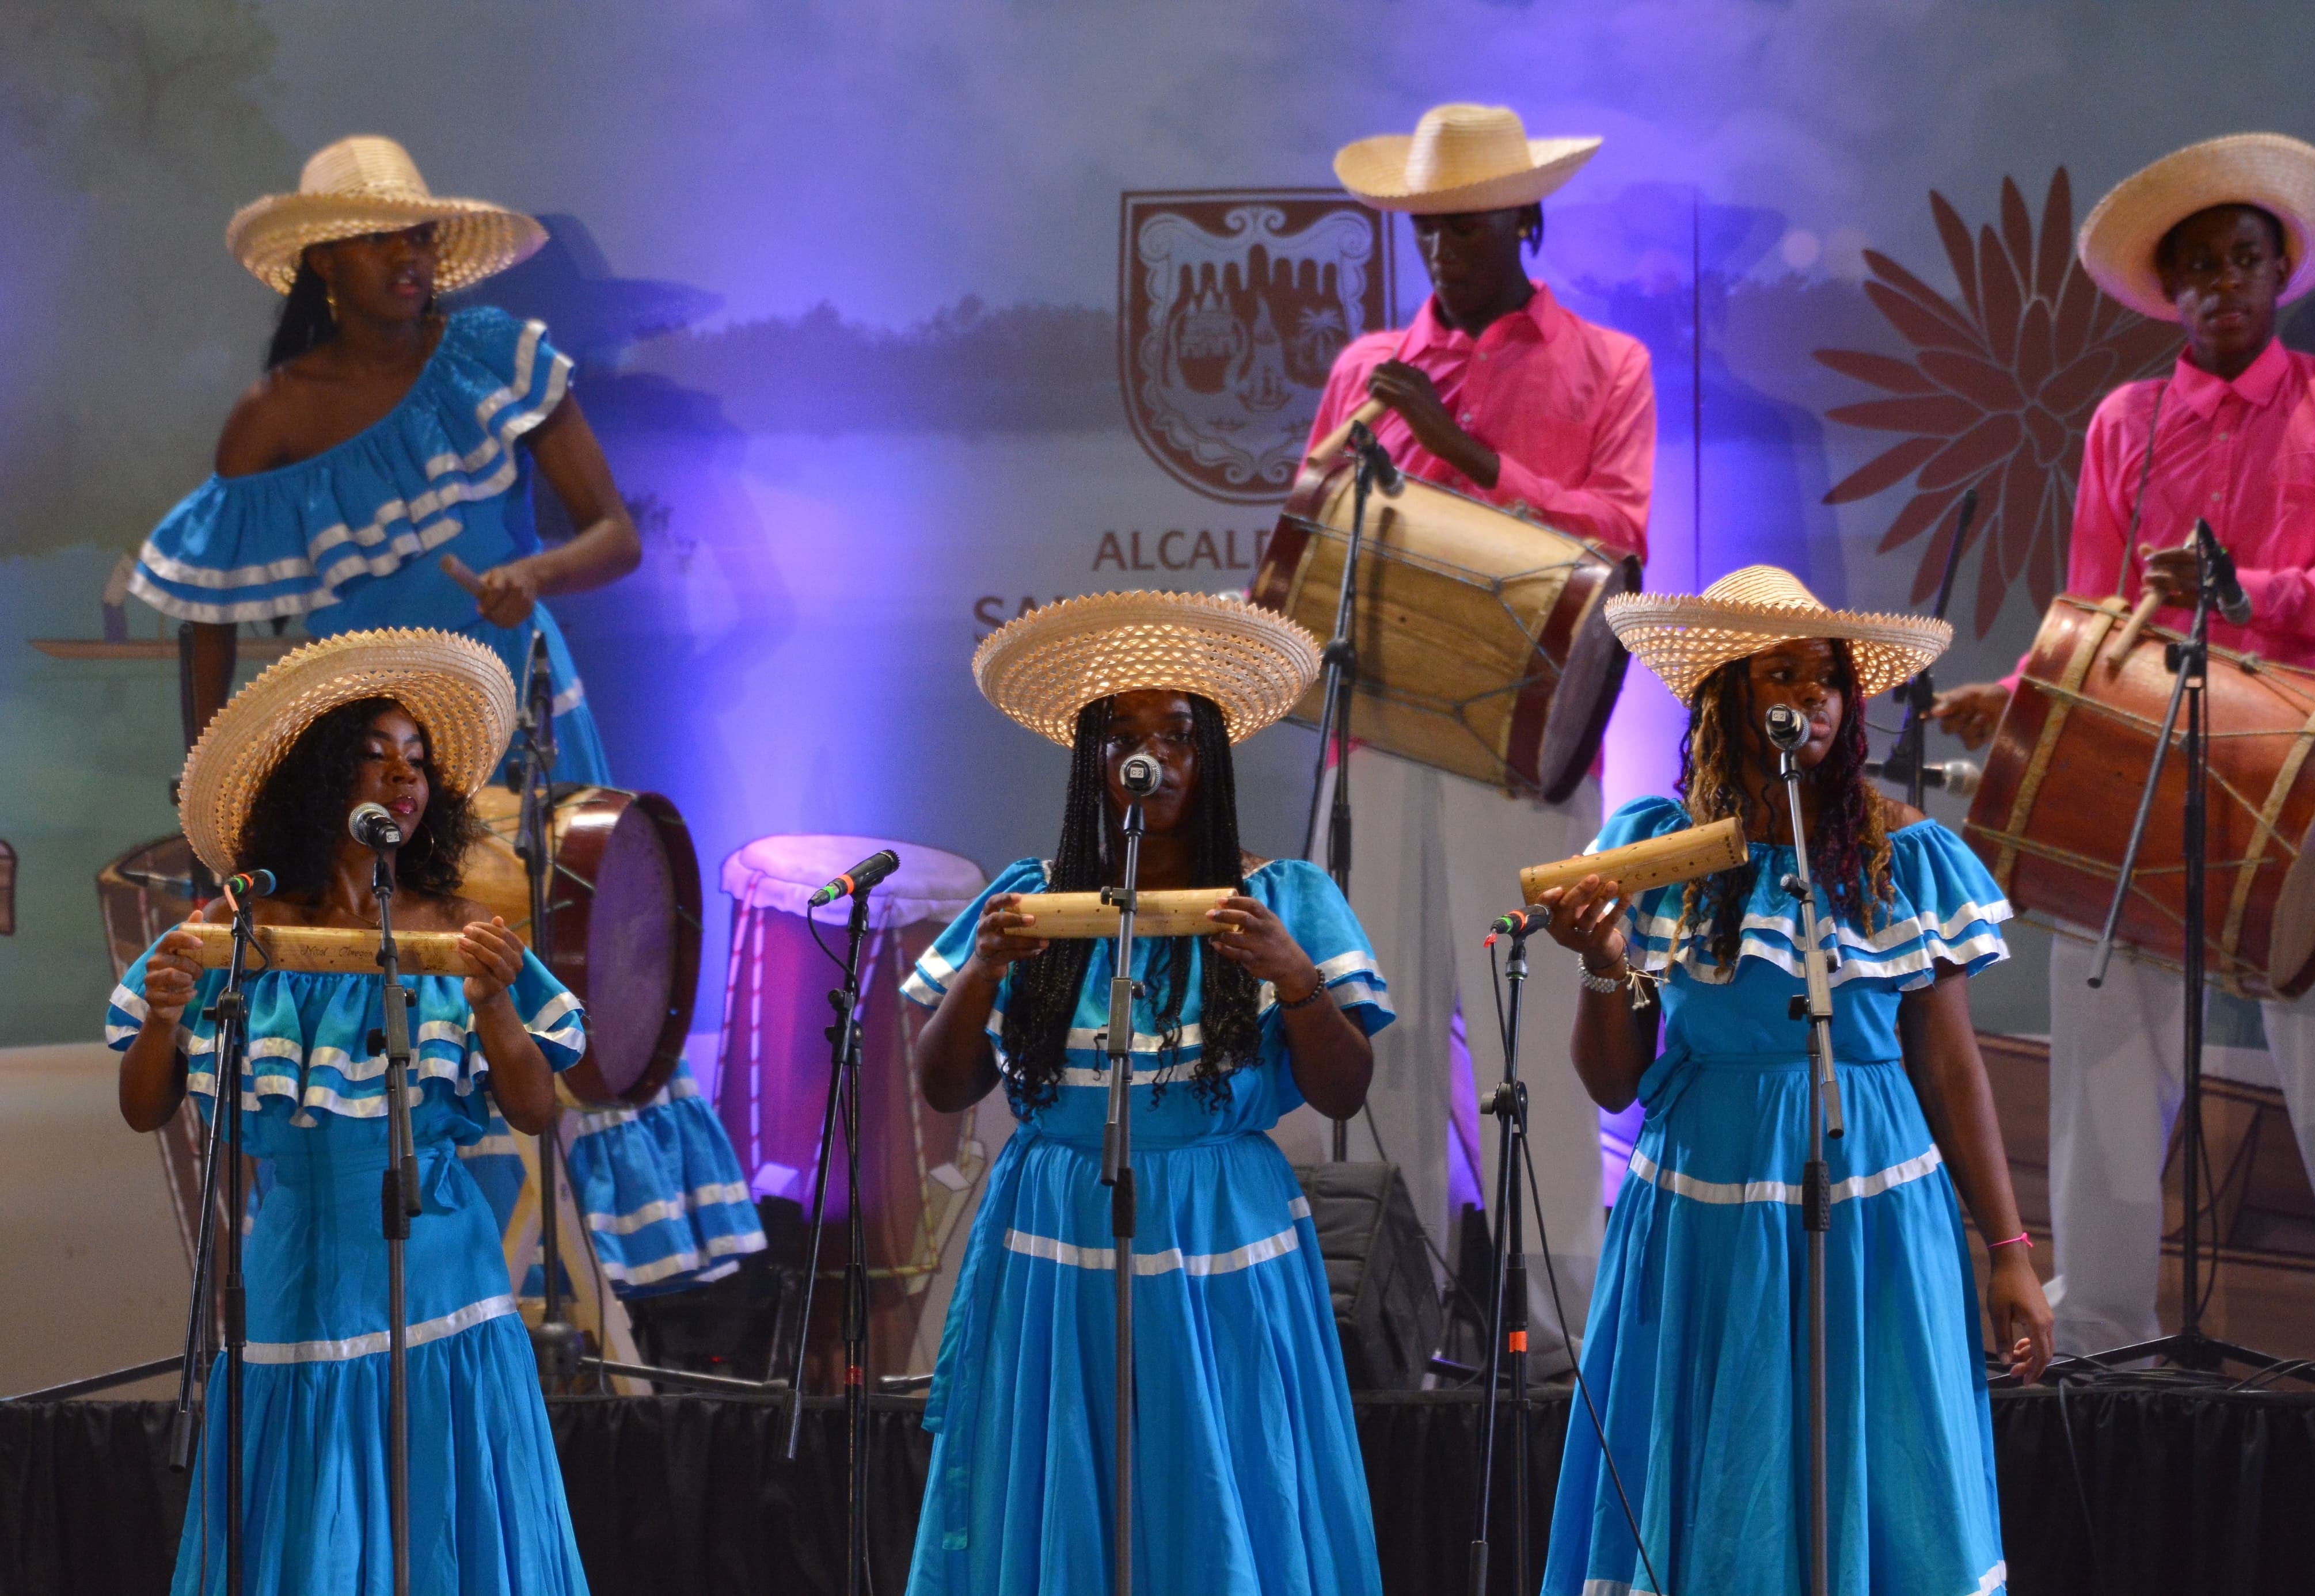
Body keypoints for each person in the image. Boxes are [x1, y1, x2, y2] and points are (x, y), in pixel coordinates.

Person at [127, 134, 761, 1301]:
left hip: (521, 709)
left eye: (420, 235)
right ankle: (421, 1251)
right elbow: (200, 609)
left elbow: (612, 532)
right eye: (381, 239)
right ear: (323, 263)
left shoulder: (499, 359)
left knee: (541, 949)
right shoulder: (272, 420)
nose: (409, 258)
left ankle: (581, 1281)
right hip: (364, 744)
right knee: (389, 970)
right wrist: (211, 771)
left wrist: (541, 577)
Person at [1930, 134, 2315, 1381]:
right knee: (2103, 1058)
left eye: (2241, 259)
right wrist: (2017, 697)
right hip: (2129, 781)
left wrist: (2252, 591)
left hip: (2310, 781)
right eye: (2194, 268)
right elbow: (2088, 610)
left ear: (2280, 270)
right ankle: (2102, 1339)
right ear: (2170, 288)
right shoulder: (2124, 422)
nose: (2219, 285)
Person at [1538, 567, 2051, 1596]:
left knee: (1879, 1476)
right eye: (1783, 675)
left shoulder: (1902, 852)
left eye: (1828, 682)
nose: (1811, 701)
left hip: (1876, 1214)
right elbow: (1610, 1081)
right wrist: (1603, 965)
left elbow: (1950, 1065)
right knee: (1722, 1478)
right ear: (1729, 692)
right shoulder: (1656, 852)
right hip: (1702, 1215)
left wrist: (2010, 1250)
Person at [900, 591, 1392, 1595]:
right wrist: (984, 969)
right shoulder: (1034, 901)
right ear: (1092, 763)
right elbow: (945, 1081)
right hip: (1056, 1230)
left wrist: (1296, 977)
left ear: (1209, 756)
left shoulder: (1282, 897)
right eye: (1122, 737)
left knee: (1220, 1475)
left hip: (1223, 1227)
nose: (1151, 759)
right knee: (1067, 1487)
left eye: (1175, 736)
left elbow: (1343, 1092)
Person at [108, 629, 589, 1594]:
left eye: (417, 760)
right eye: (377, 753)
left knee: (446, 1535)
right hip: (297, 1270)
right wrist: (164, 1015)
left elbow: (536, 1109)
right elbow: (145, 1105)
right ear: (319, 778)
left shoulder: (459, 931)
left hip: (447, 1277)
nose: (404, 778)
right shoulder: (235, 932)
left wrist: (494, 1003)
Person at [1299, 102, 1658, 1363]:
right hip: (1385, 726)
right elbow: (1305, 522)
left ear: (1527, 221)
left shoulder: (1606, 364)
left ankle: (1563, 1332)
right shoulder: (1366, 367)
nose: (1442, 253)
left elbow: (1619, 540)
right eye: (1425, 232)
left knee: (1537, 1021)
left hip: (1521, 737)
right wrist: (1346, 455)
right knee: (1380, 1018)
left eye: (1465, 228)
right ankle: (1392, 1315)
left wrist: (1470, 454)